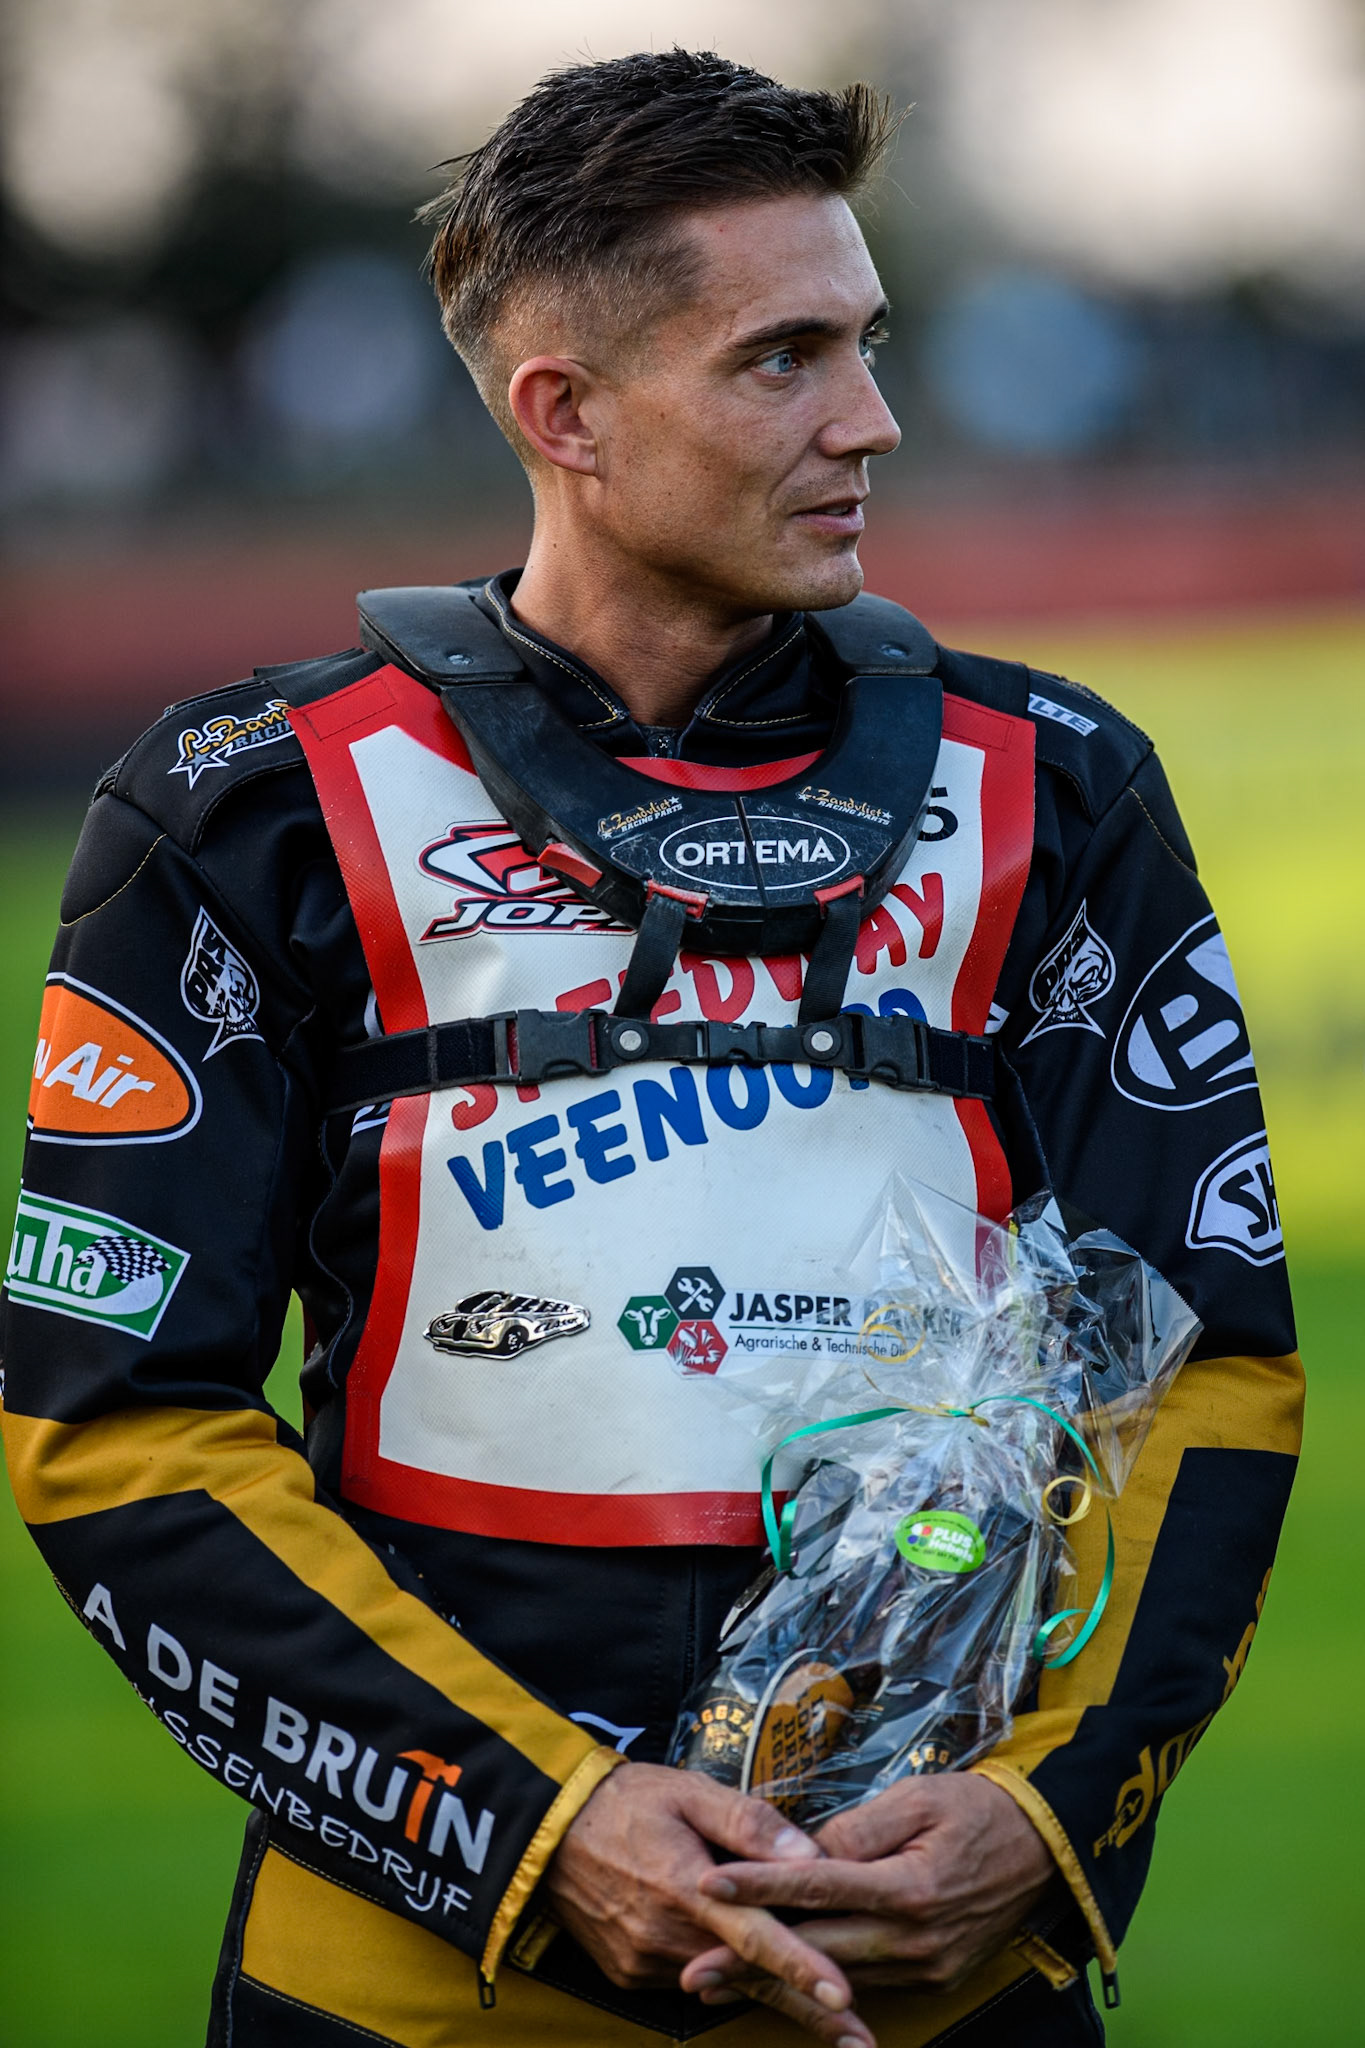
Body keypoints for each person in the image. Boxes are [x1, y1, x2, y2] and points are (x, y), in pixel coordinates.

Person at [1, 48, 1301, 2048]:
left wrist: (1044, 1814)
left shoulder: (1057, 789)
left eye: (864, 344)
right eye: (780, 358)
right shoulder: (247, 804)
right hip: (411, 1982)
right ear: (566, 414)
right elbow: (111, 1426)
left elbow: (1211, 1365)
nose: (871, 420)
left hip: (928, 1972)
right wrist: (534, 1820)